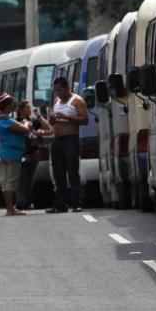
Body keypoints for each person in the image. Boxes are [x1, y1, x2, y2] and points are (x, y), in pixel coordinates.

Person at [47, 77, 89, 213]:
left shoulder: (77, 101)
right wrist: (52, 118)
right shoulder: (56, 101)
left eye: (59, 90)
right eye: (55, 91)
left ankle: (76, 203)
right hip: (57, 140)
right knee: (58, 173)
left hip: (70, 139)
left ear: (66, 87)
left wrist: (67, 117)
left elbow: (85, 120)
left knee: (72, 172)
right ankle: (60, 203)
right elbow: (51, 123)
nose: (58, 93)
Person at [0, 92, 30, 216]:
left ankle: (10, 208)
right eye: (11, 103)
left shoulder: (0, 119)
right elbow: (25, 130)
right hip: (12, 154)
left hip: (7, 153)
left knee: (8, 181)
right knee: (11, 182)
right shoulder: (5, 120)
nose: (13, 105)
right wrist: (26, 122)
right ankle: (10, 209)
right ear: (7, 105)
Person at [15, 99, 51, 211]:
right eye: (27, 108)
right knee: (22, 179)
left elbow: (47, 127)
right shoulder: (16, 121)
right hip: (22, 153)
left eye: (30, 108)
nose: (30, 110)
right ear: (21, 110)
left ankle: (27, 202)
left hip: (33, 153)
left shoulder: (33, 121)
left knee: (30, 179)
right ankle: (20, 202)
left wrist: (39, 116)